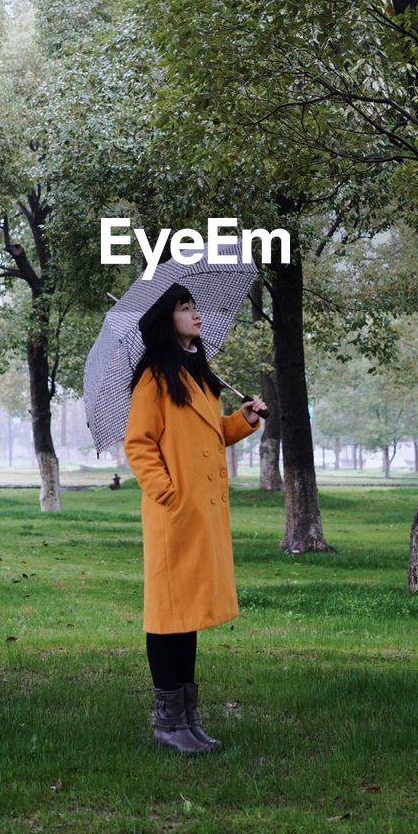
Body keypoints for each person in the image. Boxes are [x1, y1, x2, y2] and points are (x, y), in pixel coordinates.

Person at [124, 281, 266, 755]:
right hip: (174, 514)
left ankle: (188, 719)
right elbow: (139, 444)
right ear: (169, 319)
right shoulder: (154, 379)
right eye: (186, 308)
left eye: (196, 307)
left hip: (201, 516)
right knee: (168, 616)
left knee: (187, 617)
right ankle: (168, 723)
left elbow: (210, 436)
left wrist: (243, 419)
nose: (196, 314)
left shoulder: (200, 376)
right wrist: (167, 492)